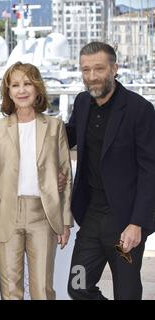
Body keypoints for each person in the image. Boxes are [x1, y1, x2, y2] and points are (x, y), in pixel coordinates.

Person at [66, 42, 155, 300]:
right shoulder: (82, 102)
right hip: (91, 217)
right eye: (85, 70)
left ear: (114, 69)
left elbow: (150, 172)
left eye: (99, 69)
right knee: (77, 285)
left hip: (125, 222)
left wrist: (137, 223)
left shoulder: (140, 110)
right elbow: (67, 136)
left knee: (126, 294)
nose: (91, 76)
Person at [0, 62, 73, 300]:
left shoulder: (54, 126)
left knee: (43, 288)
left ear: (37, 88)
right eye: (15, 85)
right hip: (5, 215)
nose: (22, 90)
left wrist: (65, 220)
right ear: (8, 91)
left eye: (27, 84)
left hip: (43, 215)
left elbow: (66, 175)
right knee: (10, 290)